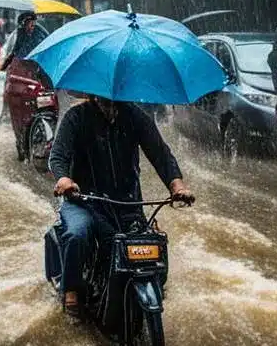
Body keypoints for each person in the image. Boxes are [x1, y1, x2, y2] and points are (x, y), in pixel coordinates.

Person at [47, 94, 194, 310]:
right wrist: (64, 179)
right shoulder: (75, 117)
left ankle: (153, 288)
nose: (109, 101)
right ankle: (72, 290)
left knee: (153, 242)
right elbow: (58, 156)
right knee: (77, 234)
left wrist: (177, 187)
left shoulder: (135, 116)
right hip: (84, 201)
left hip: (127, 204)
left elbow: (160, 154)